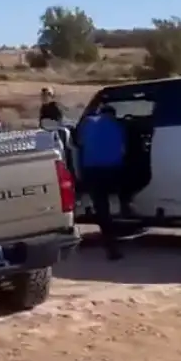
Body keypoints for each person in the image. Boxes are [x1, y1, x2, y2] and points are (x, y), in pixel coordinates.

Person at [75, 104, 126, 261]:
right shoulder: (118, 126)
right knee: (118, 195)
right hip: (112, 171)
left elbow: (80, 143)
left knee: (101, 206)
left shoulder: (88, 123)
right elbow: (124, 150)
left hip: (92, 171)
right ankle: (125, 208)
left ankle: (111, 245)